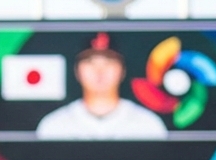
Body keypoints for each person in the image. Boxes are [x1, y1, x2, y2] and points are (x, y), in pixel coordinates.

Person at [35, 32, 168, 140]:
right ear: (76, 71)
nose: (99, 71)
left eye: (109, 62)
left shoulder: (148, 125)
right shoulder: (54, 126)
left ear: (123, 70)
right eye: (90, 62)